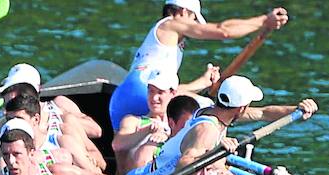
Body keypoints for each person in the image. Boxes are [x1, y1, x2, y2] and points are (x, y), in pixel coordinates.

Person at [110, 76, 316, 175]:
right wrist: (216, 152)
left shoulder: (212, 110)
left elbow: (263, 113)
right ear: (241, 107)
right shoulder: (207, 131)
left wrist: (296, 110)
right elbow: (185, 163)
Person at [108, 0, 289, 127]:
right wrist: (264, 20)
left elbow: (169, 91)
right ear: (183, 12)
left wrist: (202, 83)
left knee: (206, 102)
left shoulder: (160, 42)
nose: (194, 25)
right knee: (221, 109)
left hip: (119, 104)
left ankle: (275, 113)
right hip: (143, 97)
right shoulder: (172, 23)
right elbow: (223, 31)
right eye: (194, 19)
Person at [112, 69, 178, 175]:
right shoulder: (133, 121)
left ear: (173, 93)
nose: (154, 98)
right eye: (151, 91)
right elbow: (117, 145)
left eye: (160, 92)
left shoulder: (178, 124)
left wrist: (167, 137)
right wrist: (147, 131)